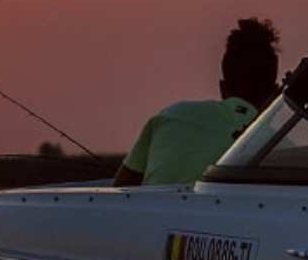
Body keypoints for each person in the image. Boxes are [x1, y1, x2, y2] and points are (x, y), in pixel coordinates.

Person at [115, 19, 280, 187]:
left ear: (222, 87)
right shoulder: (281, 148)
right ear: (275, 95)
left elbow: (120, 189)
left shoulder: (170, 116)